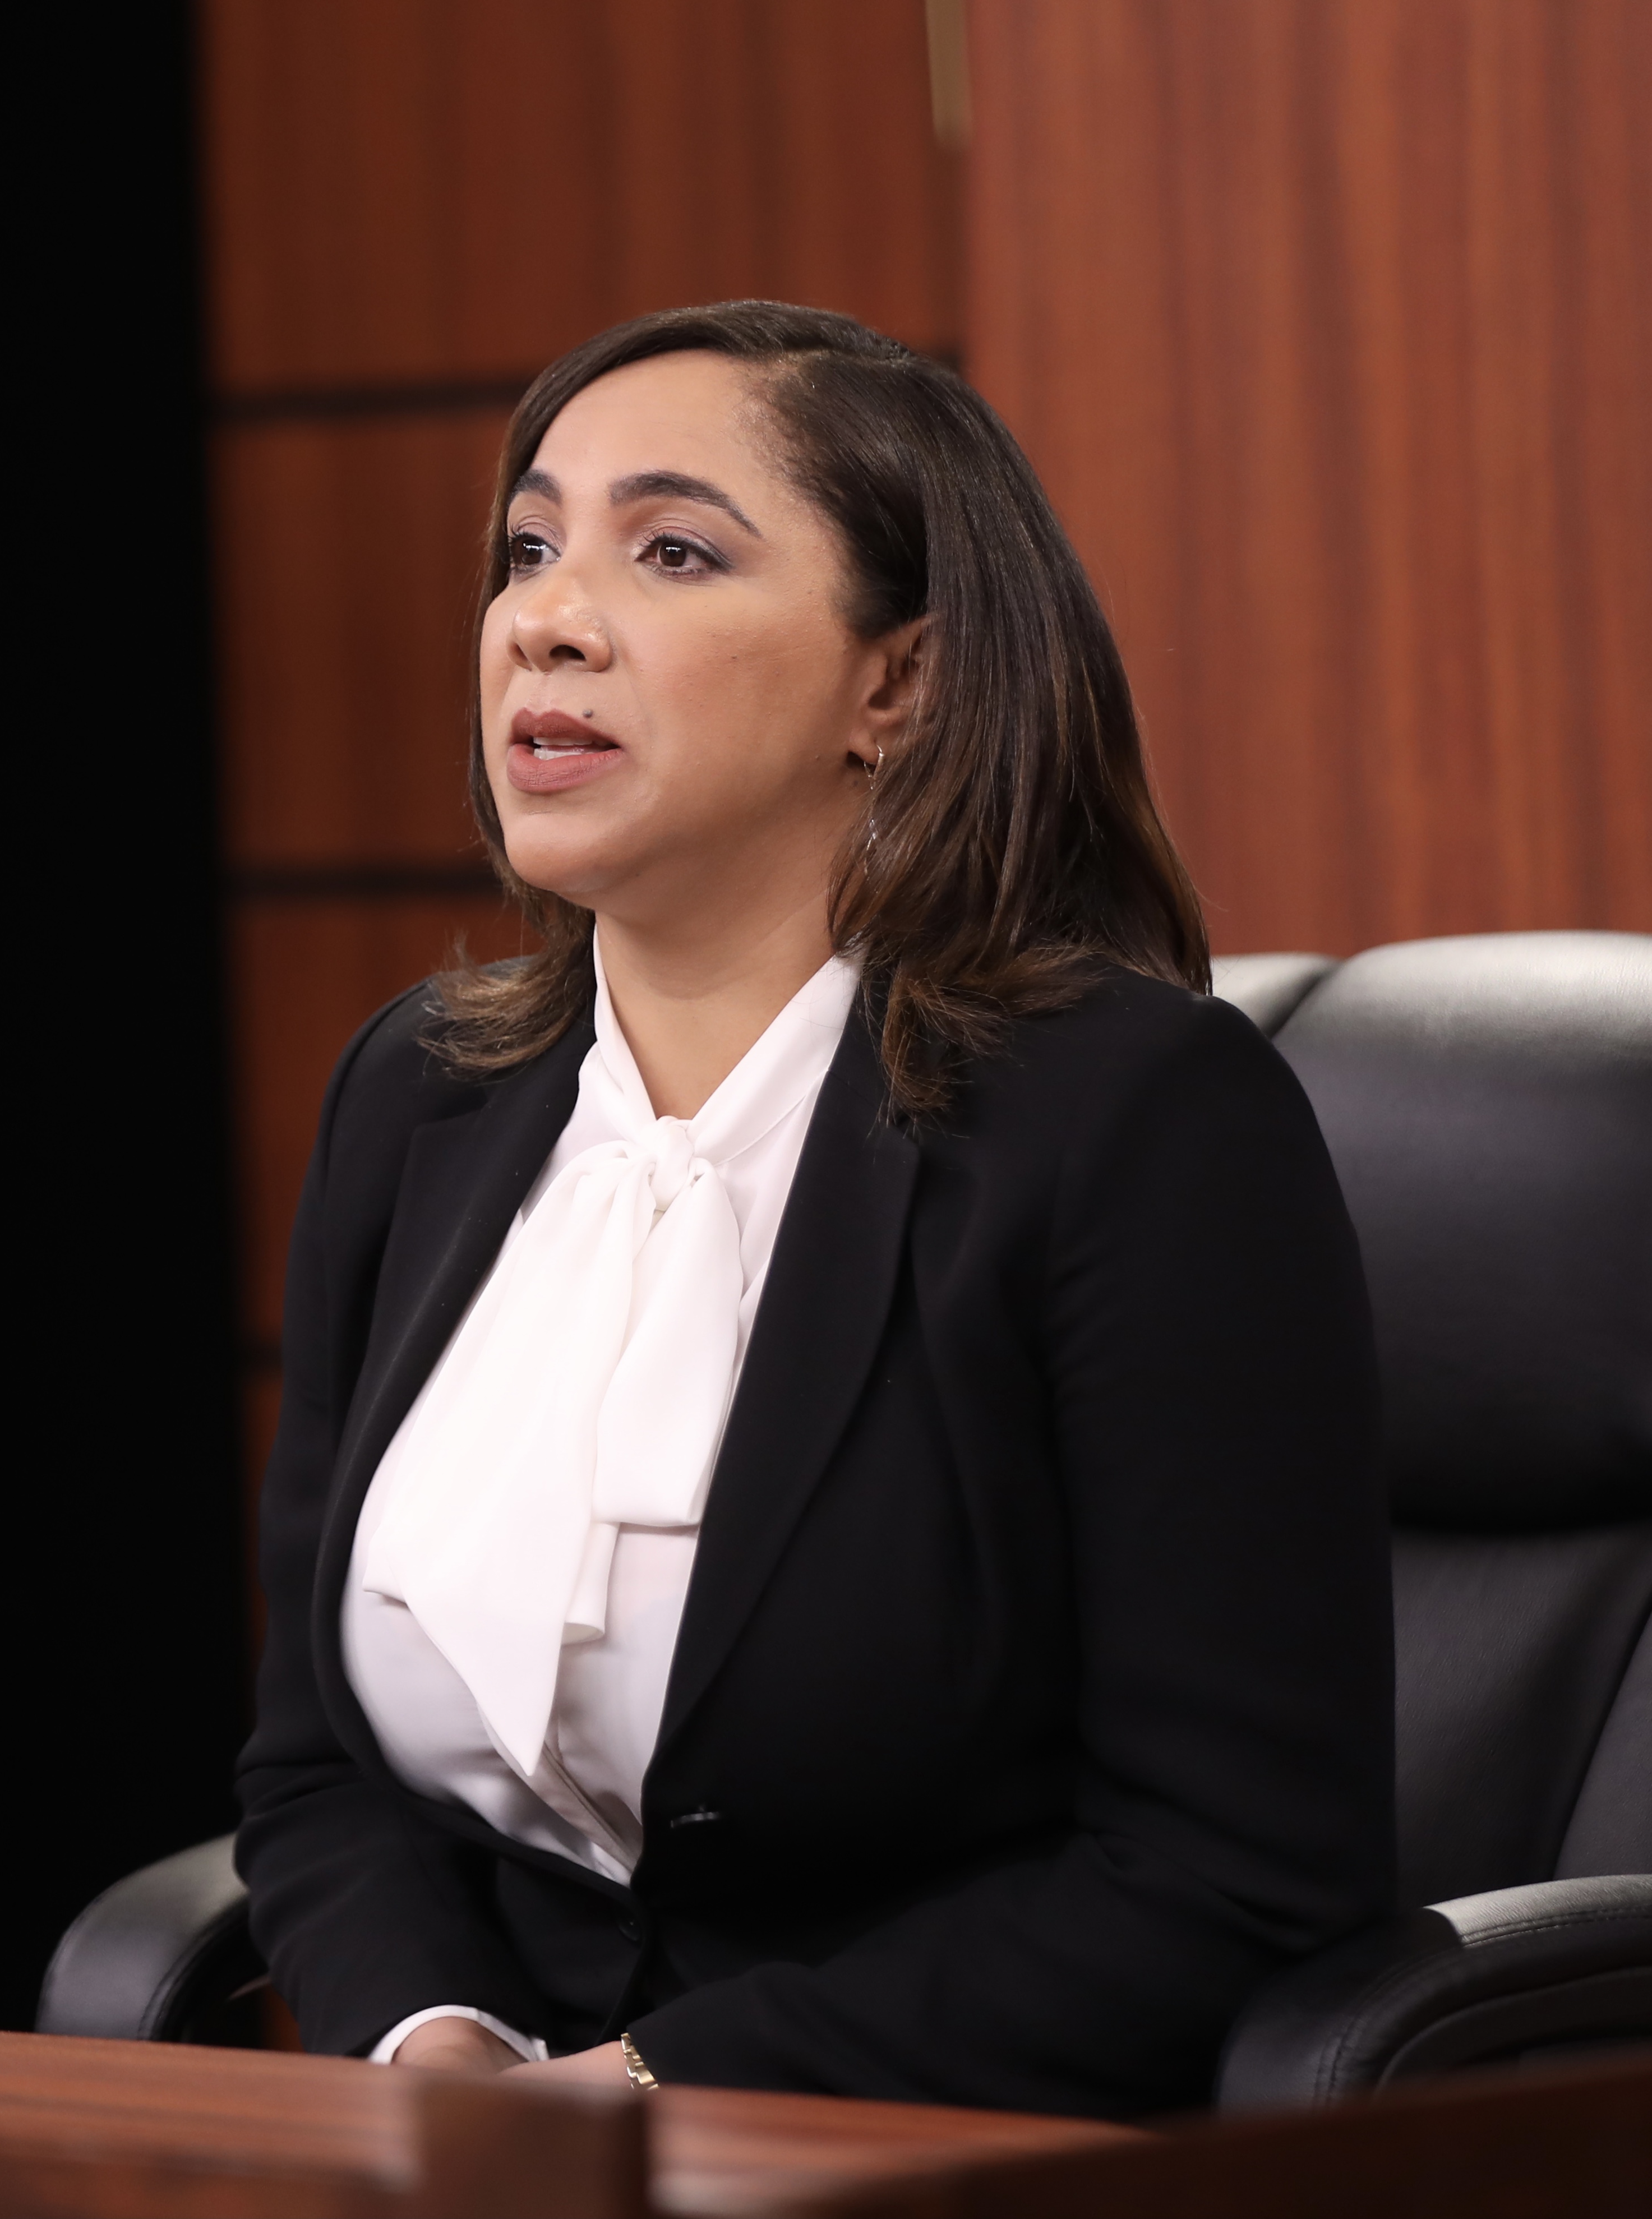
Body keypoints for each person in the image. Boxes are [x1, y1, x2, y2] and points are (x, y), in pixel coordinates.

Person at [232, 303, 1390, 2118]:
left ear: (896, 686)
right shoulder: (420, 1097)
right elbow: (317, 1765)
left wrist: (637, 2096)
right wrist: (439, 2055)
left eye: (672, 552)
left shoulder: (1134, 1120)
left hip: (939, 2145)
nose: (545, 619)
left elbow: (1232, 1874)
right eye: (527, 549)